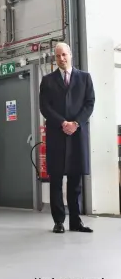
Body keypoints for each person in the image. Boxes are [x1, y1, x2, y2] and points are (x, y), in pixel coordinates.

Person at [39, 42, 95, 234]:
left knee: (75, 180)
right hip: (57, 134)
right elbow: (45, 107)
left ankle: (76, 222)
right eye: (57, 56)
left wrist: (76, 123)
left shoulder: (85, 78)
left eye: (64, 55)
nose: (61, 59)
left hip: (77, 135)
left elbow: (89, 103)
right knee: (55, 180)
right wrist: (63, 123)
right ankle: (59, 221)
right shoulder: (47, 81)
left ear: (70, 54)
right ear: (54, 59)